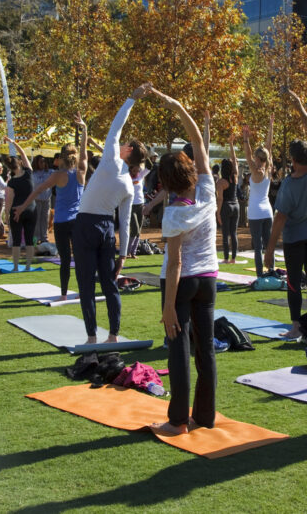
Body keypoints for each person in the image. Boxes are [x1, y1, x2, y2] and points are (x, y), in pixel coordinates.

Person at [148, 87, 218, 436]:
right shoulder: (207, 191)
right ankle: (204, 417)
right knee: (205, 351)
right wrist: (177, 106)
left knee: (179, 351)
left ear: (164, 183)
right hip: (208, 280)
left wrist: (168, 307)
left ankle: (177, 421)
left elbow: (174, 263)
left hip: (183, 282)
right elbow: (199, 144)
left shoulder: (174, 213)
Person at [74, 85, 149, 345]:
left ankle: (92, 337)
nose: (121, 143)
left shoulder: (110, 161)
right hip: (106, 229)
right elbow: (125, 223)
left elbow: (116, 125)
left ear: (127, 151)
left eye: (125, 143)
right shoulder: (129, 184)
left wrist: (132, 97)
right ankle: (113, 335)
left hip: (86, 225)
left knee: (86, 285)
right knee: (109, 284)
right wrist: (123, 256)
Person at [264, 89, 307, 339]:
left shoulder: (290, 185)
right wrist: (301, 108)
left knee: (293, 282)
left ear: (292, 159)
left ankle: (297, 327)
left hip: (295, 239)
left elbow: (280, 219)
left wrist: (269, 250)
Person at [16, 119, 87, 299]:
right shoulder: (81, 171)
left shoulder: (57, 175)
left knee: (65, 260)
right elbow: (84, 152)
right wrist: (84, 129)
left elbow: (37, 190)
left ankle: (63, 294)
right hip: (77, 221)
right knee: (79, 259)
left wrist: (22, 207)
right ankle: (81, 292)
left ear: (62, 158)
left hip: (62, 222)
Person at [242, 118, 274, 277]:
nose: (253, 159)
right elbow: (269, 147)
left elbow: (247, 154)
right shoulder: (268, 168)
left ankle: (260, 275)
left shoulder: (256, 171)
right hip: (267, 211)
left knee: (258, 247)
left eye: (255, 157)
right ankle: (272, 271)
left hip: (255, 212)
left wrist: (246, 139)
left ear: (258, 158)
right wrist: (270, 127)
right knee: (269, 245)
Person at [4, 137, 36, 272]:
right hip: (31, 209)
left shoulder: (11, 182)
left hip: (16, 210)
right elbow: (23, 153)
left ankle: (16, 267)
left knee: (16, 240)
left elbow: (9, 200)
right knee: (29, 239)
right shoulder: (28, 173)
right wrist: (13, 143)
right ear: (20, 163)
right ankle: (28, 266)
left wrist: (6, 215)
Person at [216, 139, 240, 264]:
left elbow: (220, 199)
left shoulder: (221, 182)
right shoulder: (235, 177)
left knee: (225, 233)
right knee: (234, 233)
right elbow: (235, 160)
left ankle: (226, 258)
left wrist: (218, 212)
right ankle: (234, 258)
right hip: (236, 205)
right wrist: (231, 144)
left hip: (226, 206)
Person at [31, 155, 53, 244]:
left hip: (46, 199)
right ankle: (35, 238)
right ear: (36, 163)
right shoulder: (33, 173)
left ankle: (44, 237)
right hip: (36, 199)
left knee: (45, 219)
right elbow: (36, 184)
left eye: (44, 161)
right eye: (41, 162)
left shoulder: (50, 172)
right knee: (36, 219)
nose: (43, 163)